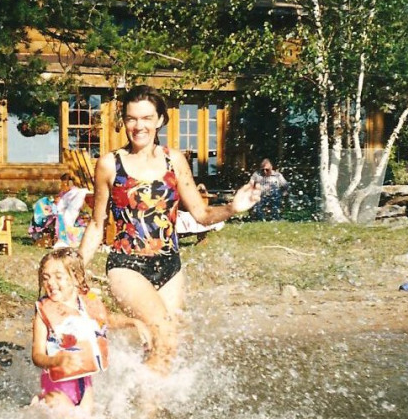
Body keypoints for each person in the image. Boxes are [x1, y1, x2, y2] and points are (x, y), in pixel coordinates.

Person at [77, 85, 260, 376]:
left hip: (170, 266)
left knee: (166, 345)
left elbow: (200, 214)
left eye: (147, 118)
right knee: (164, 332)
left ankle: (142, 405)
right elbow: (98, 224)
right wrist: (76, 268)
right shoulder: (110, 164)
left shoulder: (174, 160)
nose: (139, 126)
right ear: (124, 121)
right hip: (127, 266)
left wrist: (232, 208)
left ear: (160, 120)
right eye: (132, 119)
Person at [31, 247, 149, 414]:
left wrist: (133, 322)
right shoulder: (43, 313)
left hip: (85, 385)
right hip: (56, 386)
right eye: (46, 278)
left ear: (76, 278)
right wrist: (54, 361)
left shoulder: (87, 302)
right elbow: (37, 356)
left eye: (58, 277)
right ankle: (41, 402)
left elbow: (106, 320)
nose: (51, 283)